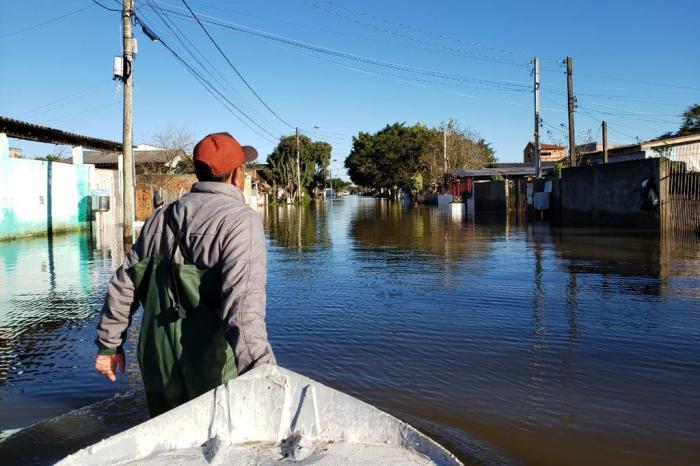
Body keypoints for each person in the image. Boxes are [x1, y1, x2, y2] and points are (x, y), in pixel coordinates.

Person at [94, 132, 275, 417]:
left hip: (157, 362)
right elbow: (242, 308)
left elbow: (124, 284)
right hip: (211, 364)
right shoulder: (241, 221)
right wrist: (264, 376)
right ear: (236, 175)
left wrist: (109, 345)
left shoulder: (159, 218)